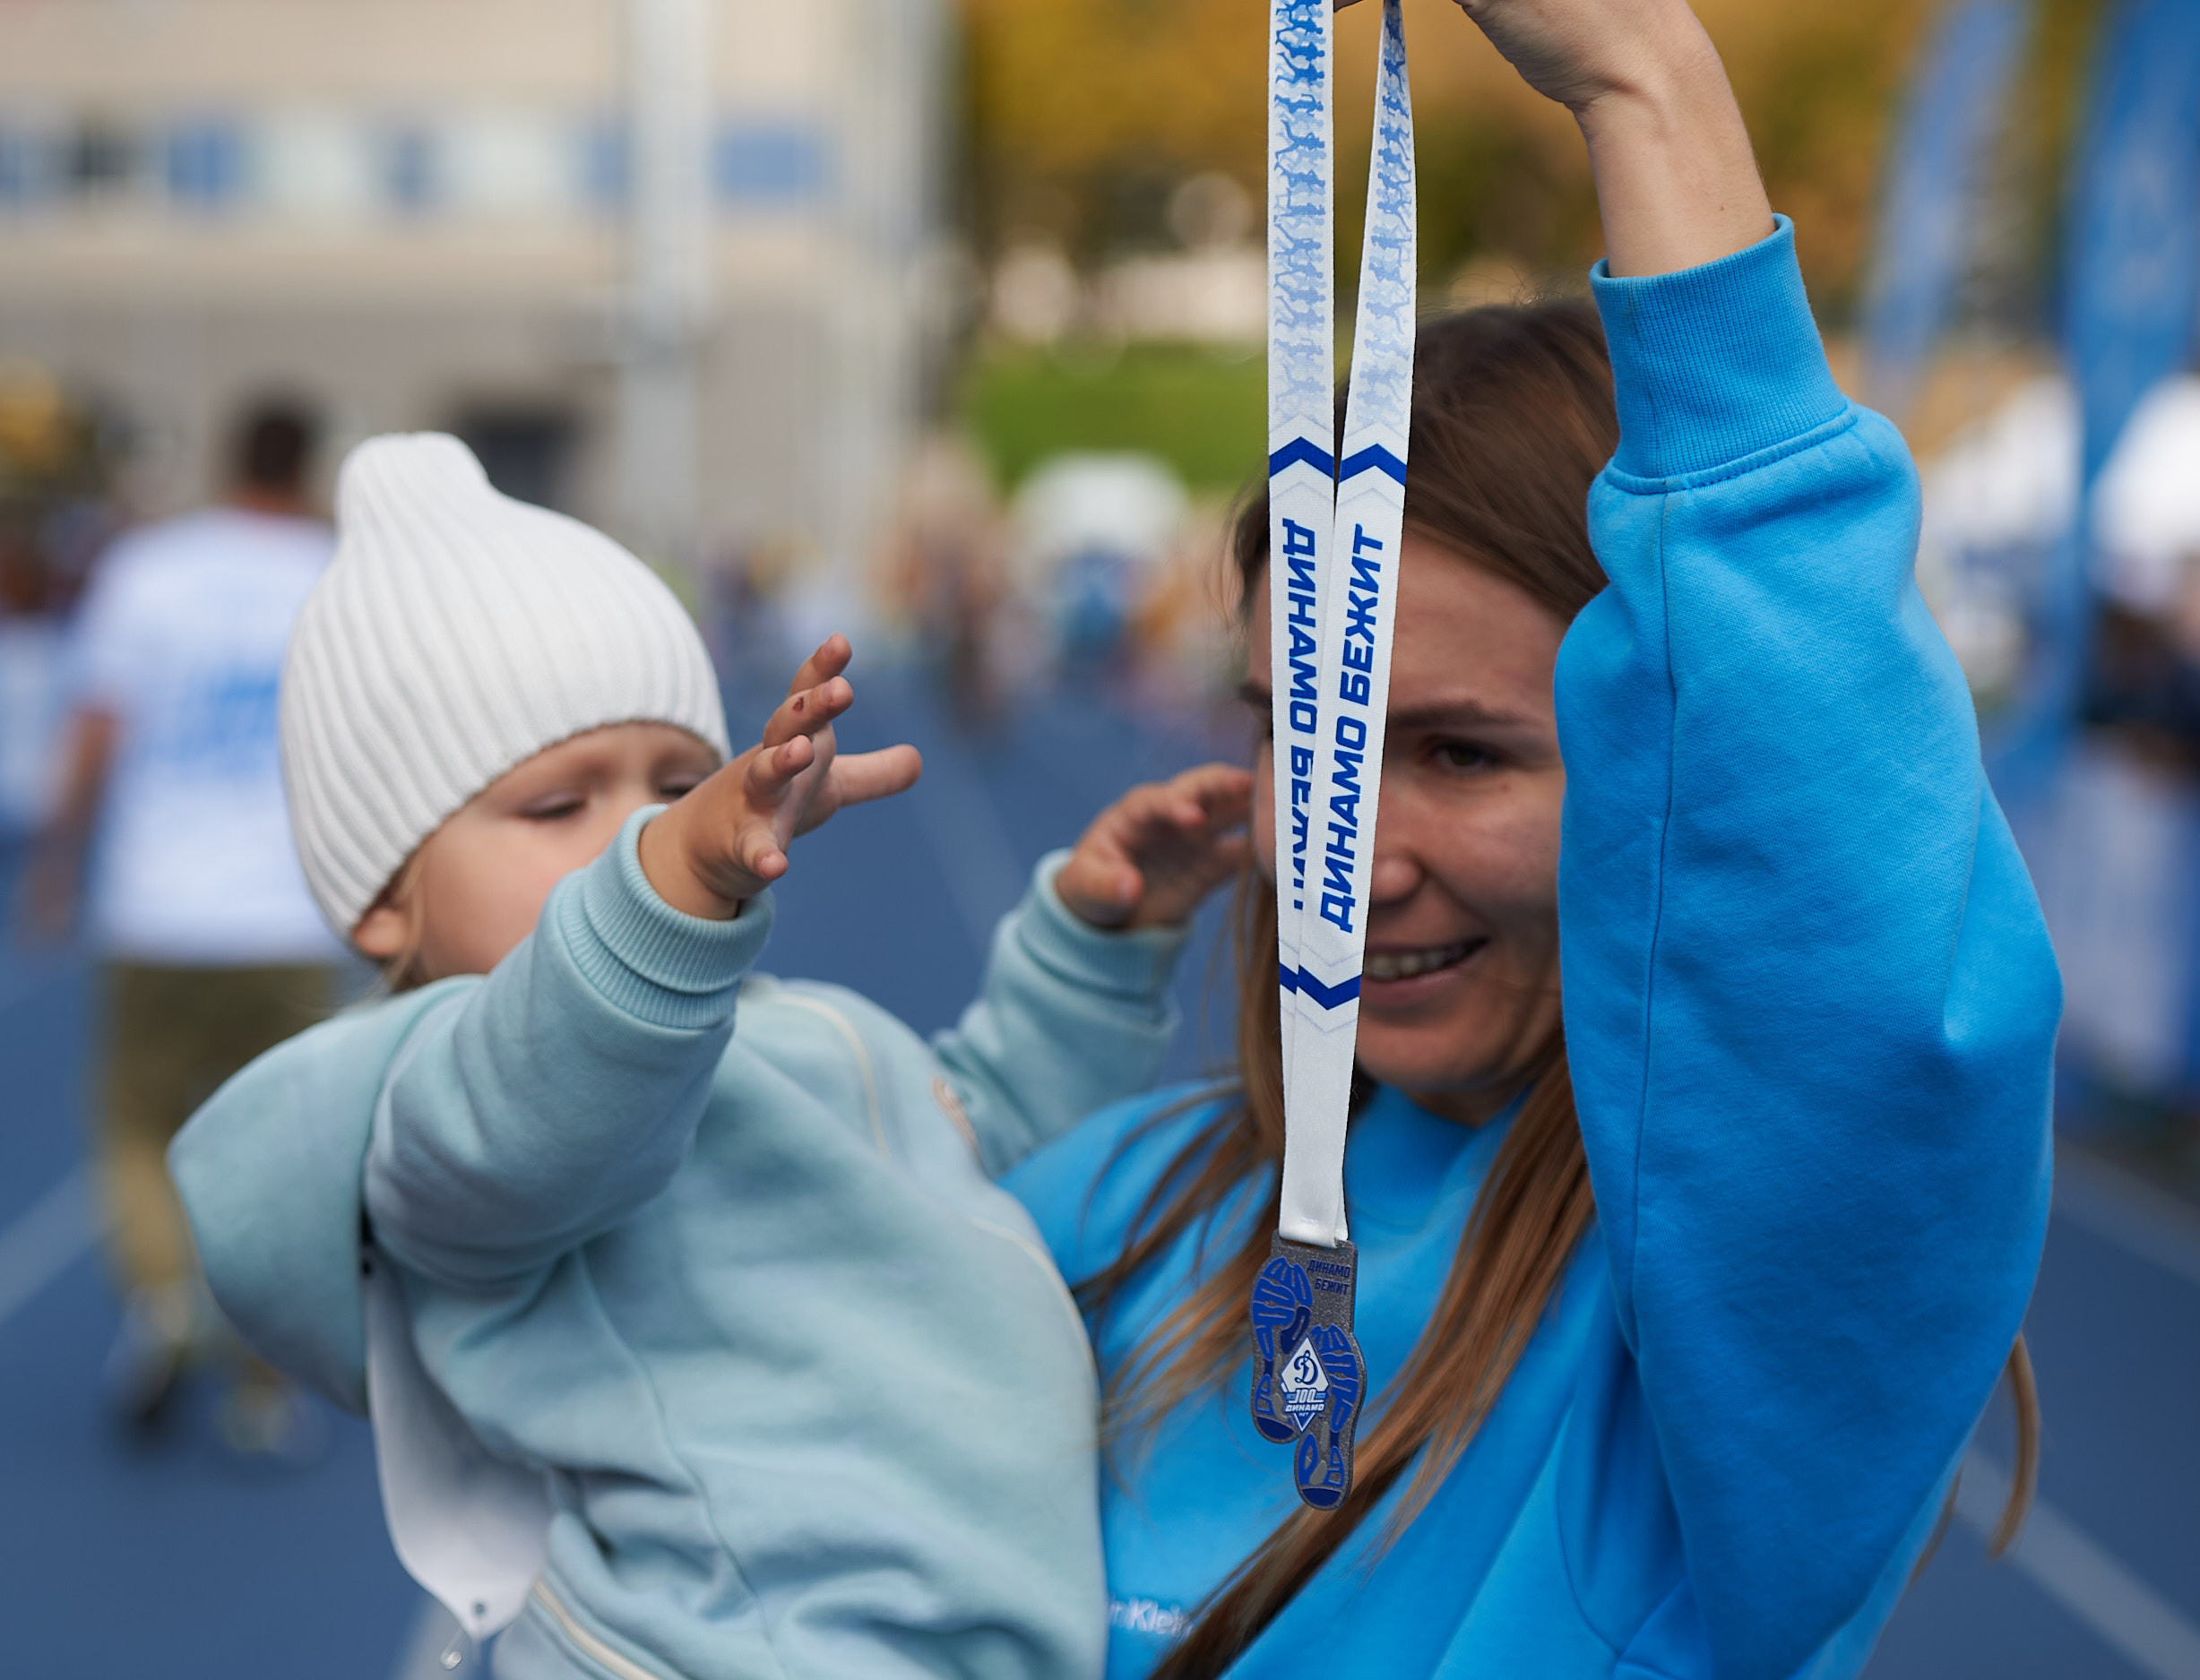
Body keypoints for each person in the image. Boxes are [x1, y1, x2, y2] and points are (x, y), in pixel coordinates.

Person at [1001, 1, 2060, 1675]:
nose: (1347, 851)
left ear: (1667, 784)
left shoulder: (1716, 1356)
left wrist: (1645, 73)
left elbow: (1853, 969)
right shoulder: (1118, 1208)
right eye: (1312, 736)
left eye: (1461, 752)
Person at [168, 432, 1252, 1680]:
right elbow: (533, 1115)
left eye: (679, 781)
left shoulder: (795, 1032)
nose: (643, 829)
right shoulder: (443, 1094)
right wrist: (671, 879)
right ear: (383, 902)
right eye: (559, 802)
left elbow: (975, 1129)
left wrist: (1093, 940)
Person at [22, 397, 343, 1440]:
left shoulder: (152, 572)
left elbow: (98, 730)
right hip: (292, 914)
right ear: (312, 464)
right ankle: (264, 1382)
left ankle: (164, 1297)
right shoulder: (336, 578)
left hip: (159, 910)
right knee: (279, 1153)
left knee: (136, 1129)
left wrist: (55, 866)